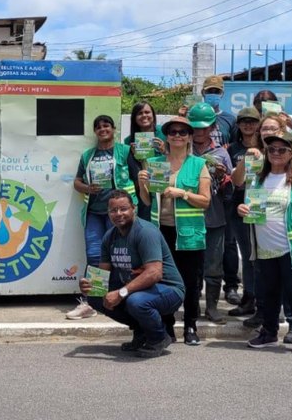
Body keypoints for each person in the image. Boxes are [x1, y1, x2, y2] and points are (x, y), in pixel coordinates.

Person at [240, 129, 292, 354]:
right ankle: (269, 332)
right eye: (271, 149)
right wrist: (242, 208)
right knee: (268, 292)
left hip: (291, 249)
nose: (276, 153)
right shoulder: (258, 178)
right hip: (265, 249)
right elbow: (250, 207)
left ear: (291, 152)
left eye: (282, 149)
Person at [79, 190, 184, 358]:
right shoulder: (109, 237)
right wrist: (89, 286)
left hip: (168, 289)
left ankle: (159, 337)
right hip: (137, 288)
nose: (118, 214)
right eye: (113, 210)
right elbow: (102, 276)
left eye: (123, 209)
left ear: (133, 208)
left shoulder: (145, 232)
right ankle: (142, 333)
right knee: (95, 297)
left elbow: (155, 273)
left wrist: (121, 293)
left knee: (136, 302)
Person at [137, 116, 211, 346]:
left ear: (189, 137)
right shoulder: (154, 162)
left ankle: (190, 325)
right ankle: (167, 325)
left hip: (189, 234)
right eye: (172, 132)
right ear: (166, 137)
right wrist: (142, 183)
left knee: (190, 282)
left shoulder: (198, 164)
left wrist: (183, 194)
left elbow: (206, 201)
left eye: (182, 132)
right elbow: (146, 201)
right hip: (161, 232)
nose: (177, 136)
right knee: (164, 282)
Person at [67, 115, 137, 320]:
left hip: (118, 215)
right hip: (95, 213)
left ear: (114, 129)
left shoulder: (124, 151)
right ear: (95, 132)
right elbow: (77, 182)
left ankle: (120, 297)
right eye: (98, 127)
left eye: (106, 125)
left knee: (121, 256)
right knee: (94, 255)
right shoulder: (88, 155)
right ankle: (91, 302)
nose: (102, 129)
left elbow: (137, 175)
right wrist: (88, 188)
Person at [187, 102, 234, 324]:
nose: (199, 132)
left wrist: (225, 180)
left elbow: (230, 193)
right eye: (195, 127)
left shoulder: (221, 153)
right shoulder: (182, 150)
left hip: (214, 218)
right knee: (191, 265)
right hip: (186, 216)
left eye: (204, 127)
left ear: (212, 127)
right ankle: (192, 304)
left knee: (213, 265)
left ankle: (213, 307)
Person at [225, 107, 262, 318]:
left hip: (266, 207)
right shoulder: (232, 149)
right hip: (239, 207)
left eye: (252, 121)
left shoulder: (268, 147)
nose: (248, 125)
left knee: (265, 256)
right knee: (248, 255)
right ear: (238, 125)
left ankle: (268, 299)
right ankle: (249, 298)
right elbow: (233, 180)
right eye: (244, 121)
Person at [123, 101, 166, 222]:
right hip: (142, 190)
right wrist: (134, 157)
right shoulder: (128, 141)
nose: (144, 115)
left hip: (163, 185)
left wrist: (164, 151)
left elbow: (178, 157)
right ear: (134, 118)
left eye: (147, 112)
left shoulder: (164, 133)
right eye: (139, 113)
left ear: (153, 114)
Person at [180, 75, 236, 147]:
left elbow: (236, 144)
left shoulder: (230, 119)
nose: (213, 94)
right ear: (203, 93)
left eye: (217, 92)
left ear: (222, 94)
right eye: (210, 91)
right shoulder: (192, 116)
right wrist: (182, 119)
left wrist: (228, 148)